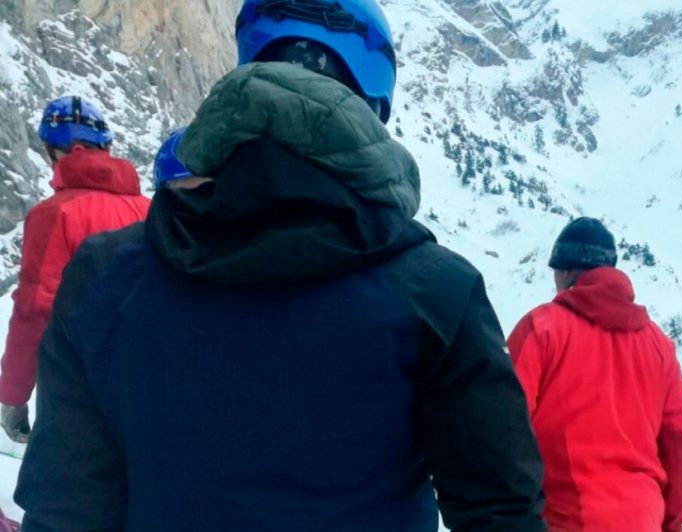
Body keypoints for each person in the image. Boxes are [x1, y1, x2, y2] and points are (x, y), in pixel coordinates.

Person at [15, 1, 545, 531]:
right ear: (375, 103)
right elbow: (502, 514)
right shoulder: (437, 293)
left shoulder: (104, 277)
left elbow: (65, 510)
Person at [508, 217, 682, 532]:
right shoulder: (659, 345)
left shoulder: (541, 329)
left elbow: (504, 426)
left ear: (565, 272)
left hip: (564, 520)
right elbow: (681, 439)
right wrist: (670, 523)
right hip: (643, 520)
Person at [0, 96, 150, 443]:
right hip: (150, 382)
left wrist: (13, 396)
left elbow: (35, 311)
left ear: (53, 151)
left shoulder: (53, 214)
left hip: (79, 393)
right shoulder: (150, 210)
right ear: (106, 147)